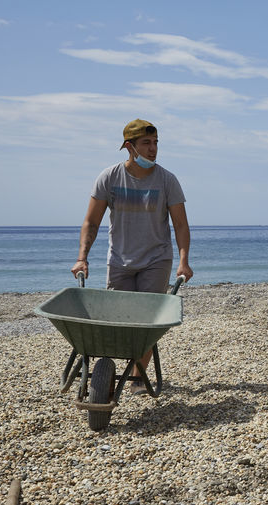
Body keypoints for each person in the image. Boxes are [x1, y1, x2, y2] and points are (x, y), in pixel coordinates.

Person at [71, 119, 193, 385]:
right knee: (118, 322)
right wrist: (82, 257)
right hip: (119, 261)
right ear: (130, 146)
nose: (153, 149)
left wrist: (183, 262)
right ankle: (112, 374)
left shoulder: (167, 180)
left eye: (156, 143)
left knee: (147, 323)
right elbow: (91, 222)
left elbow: (180, 225)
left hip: (156, 259)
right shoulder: (110, 178)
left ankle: (137, 375)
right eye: (146, 143)